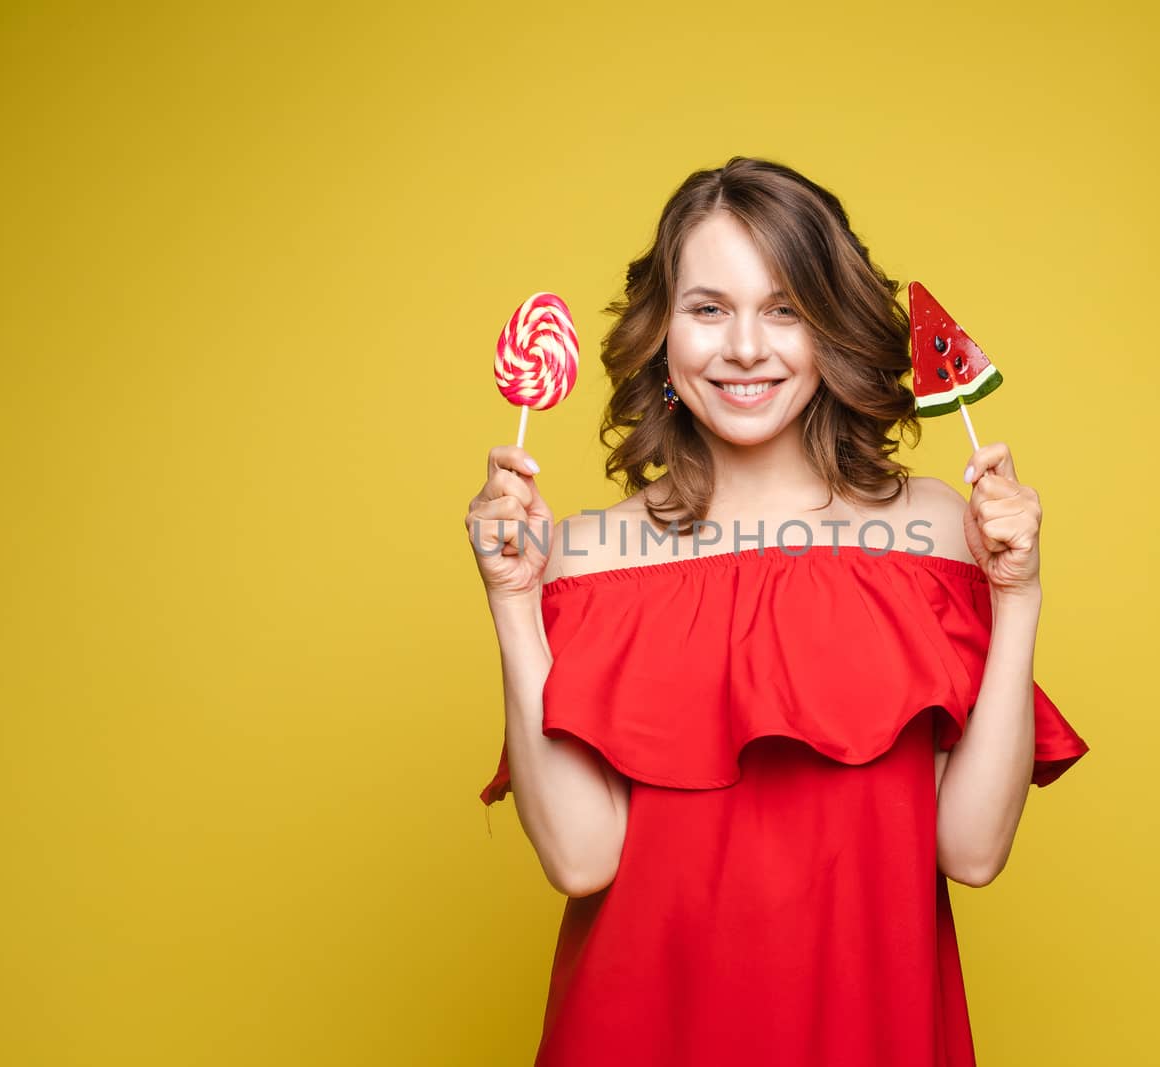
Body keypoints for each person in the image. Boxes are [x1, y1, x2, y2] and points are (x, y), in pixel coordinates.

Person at [465, 156, 1090, 1066]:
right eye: (709, 308)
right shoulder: (584, 553)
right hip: (642, 1031)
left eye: (786, 308)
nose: (746, 347)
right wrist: (514, 601)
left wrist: (1018, 594)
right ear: (661, 332)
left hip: (867, 1028)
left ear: (832, 329)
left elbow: (973, 849)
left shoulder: (939, 531)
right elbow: (579, 859)